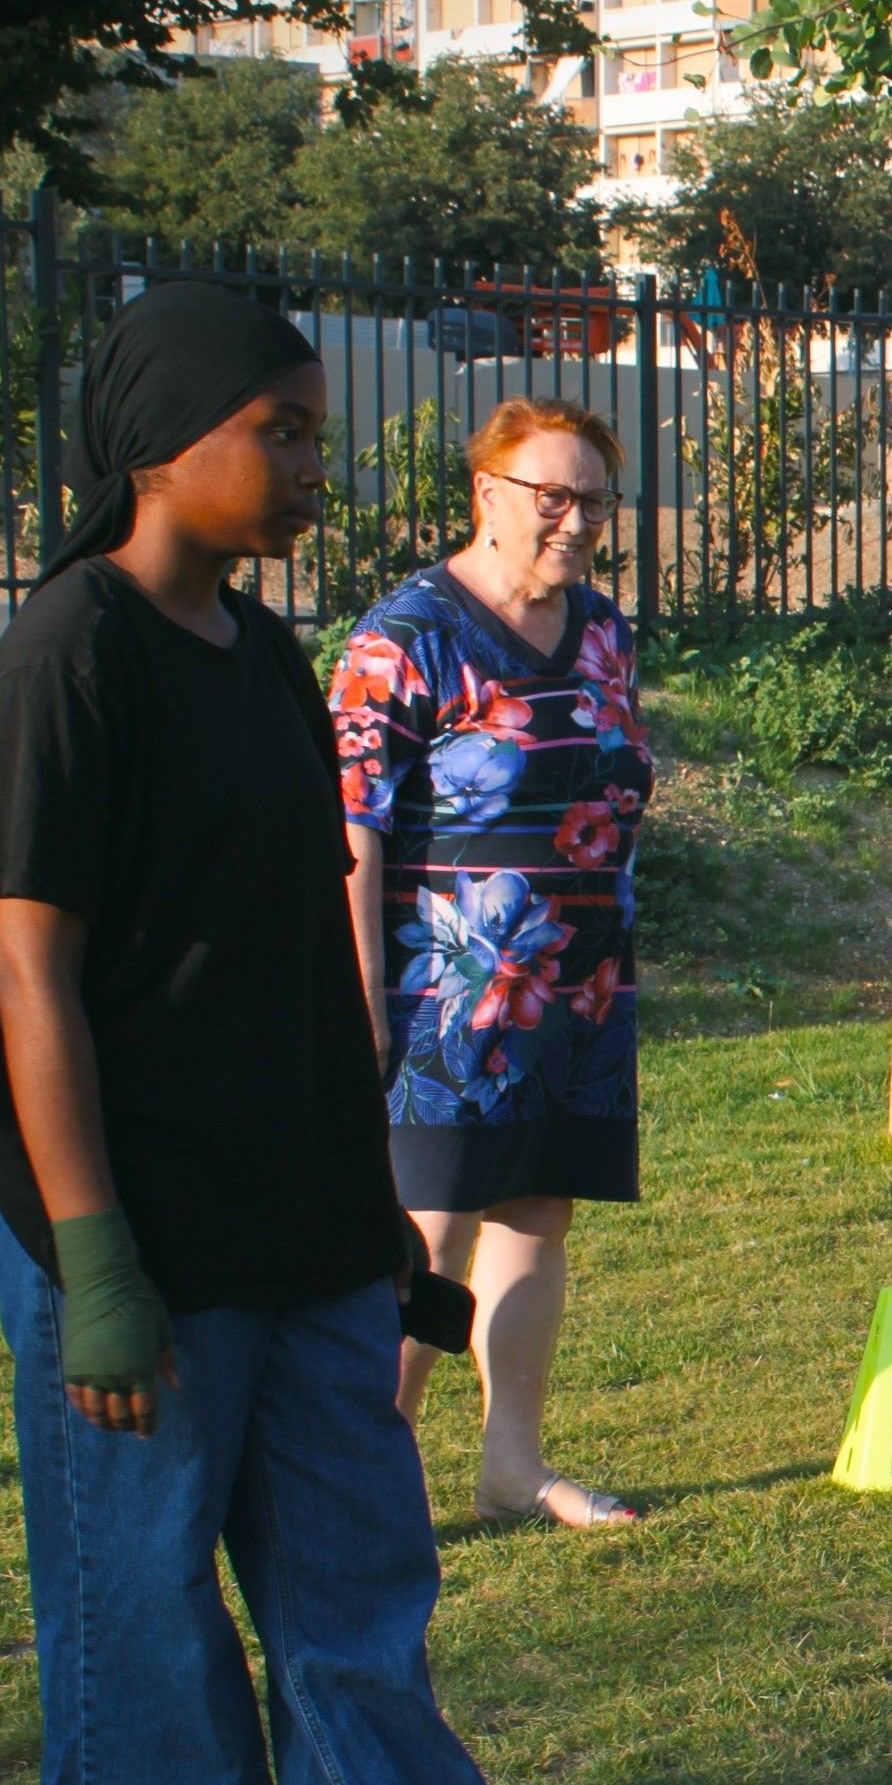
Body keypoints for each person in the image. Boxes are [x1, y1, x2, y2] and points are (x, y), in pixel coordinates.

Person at [0, 282, 657, 1785]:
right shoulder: (70, 656)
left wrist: (371, 1211)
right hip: (135, 1222)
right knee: (146, 1609)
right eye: (278, 429)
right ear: (156, 443)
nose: (308, 465)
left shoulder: (263, 658)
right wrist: (92, 1256)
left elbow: (299, 956)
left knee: (359, 1597)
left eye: (312, 432)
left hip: (298, 1212)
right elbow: (26, 970)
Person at [334, 398, 650, 1529]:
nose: (573, 521)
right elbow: (351, 827)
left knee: (537, 1214)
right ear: (487, 494)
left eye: (593, 500)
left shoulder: (604, 626)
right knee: (432, 1229)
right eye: (549, 496)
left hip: (577, 983)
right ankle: (374, 1472)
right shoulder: (405, 635)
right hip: (447, 990)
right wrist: (359, 990)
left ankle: (513, 1464)